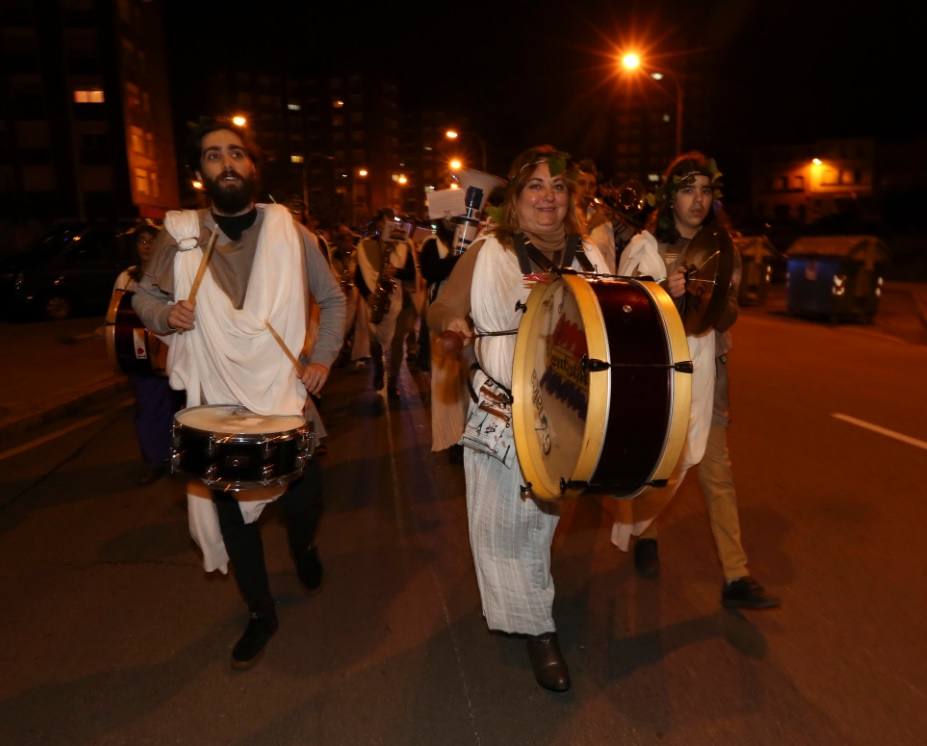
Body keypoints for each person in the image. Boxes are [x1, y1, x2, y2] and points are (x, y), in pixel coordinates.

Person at [132, 117, 346, 668]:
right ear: (199, 171)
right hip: (215, 399)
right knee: (232, 512)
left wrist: (322, 357)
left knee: (305, 499)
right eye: (212, 156)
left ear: (252, 166)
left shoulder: (288, 231)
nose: (226, 164)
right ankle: (260, 613)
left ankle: (302, 546)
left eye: (235, 154)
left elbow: (335, 299)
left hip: (284, 395)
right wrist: (165, 312)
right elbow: (144, 294)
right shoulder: (180, 234)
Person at [428, 145, 608, 693]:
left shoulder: (593, 259)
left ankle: (533, 602)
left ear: (571, 196)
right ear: (517, 198)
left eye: (558, 187)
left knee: (541, 522)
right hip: (501, 410)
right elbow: (439, 306)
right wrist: (454, 322)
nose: (548, 197)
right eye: (535, 186)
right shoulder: (488, 253)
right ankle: (540, 631)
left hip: (572, 416)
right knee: (509, 528)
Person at [610, 151, 779, 610]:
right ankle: (644, 527)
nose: (698, 199)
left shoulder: (724, 248)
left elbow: (728, 315)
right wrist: (666, 290)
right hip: (662, 381)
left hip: (711, 374)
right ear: (670, 198)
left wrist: (718, 290)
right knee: (664, 474)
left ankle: (736, 576)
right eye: (688, 190)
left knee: (716, 475)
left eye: (705, 191)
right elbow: (625, 310)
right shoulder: (646, 246)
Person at [111, 225, 185, 485]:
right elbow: (115, 314)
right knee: (149, 406)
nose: (146, 246)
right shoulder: (127, 278)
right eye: (141, 241)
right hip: (141, 353)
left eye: (152, 241)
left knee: (180, 405)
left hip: (174, 348)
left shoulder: (175, 271)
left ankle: (179, 454)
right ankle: (155, 459)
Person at [356, 208, 417, 400]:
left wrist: (395, 272)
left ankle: (393, 381)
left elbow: (411, 275)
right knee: (375, 343)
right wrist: (371, 296)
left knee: (397, 342)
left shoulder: (404, 245)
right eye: (384, 222)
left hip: (400, 303)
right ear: (378, 224)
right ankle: (378, 367)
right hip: (376, 302)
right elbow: (359, 277)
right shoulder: (365, 246)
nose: (387, 226)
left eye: (391, 222)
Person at [572, 158, 634, 274]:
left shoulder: (601, 215)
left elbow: (610, 258)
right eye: (581, 183)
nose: (587, 190)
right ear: (572, 186)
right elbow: (569, 252)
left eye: (591, 185)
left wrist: (615, 221)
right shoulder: (564, 216)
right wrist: (590, 225)